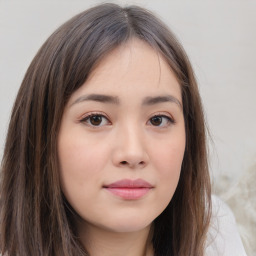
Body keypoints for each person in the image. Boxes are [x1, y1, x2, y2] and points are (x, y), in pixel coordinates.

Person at [0, 3, 246, 256]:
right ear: (41, 136)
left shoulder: (214, 234)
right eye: (96, 119)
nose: (132, 152)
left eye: (158, 120)